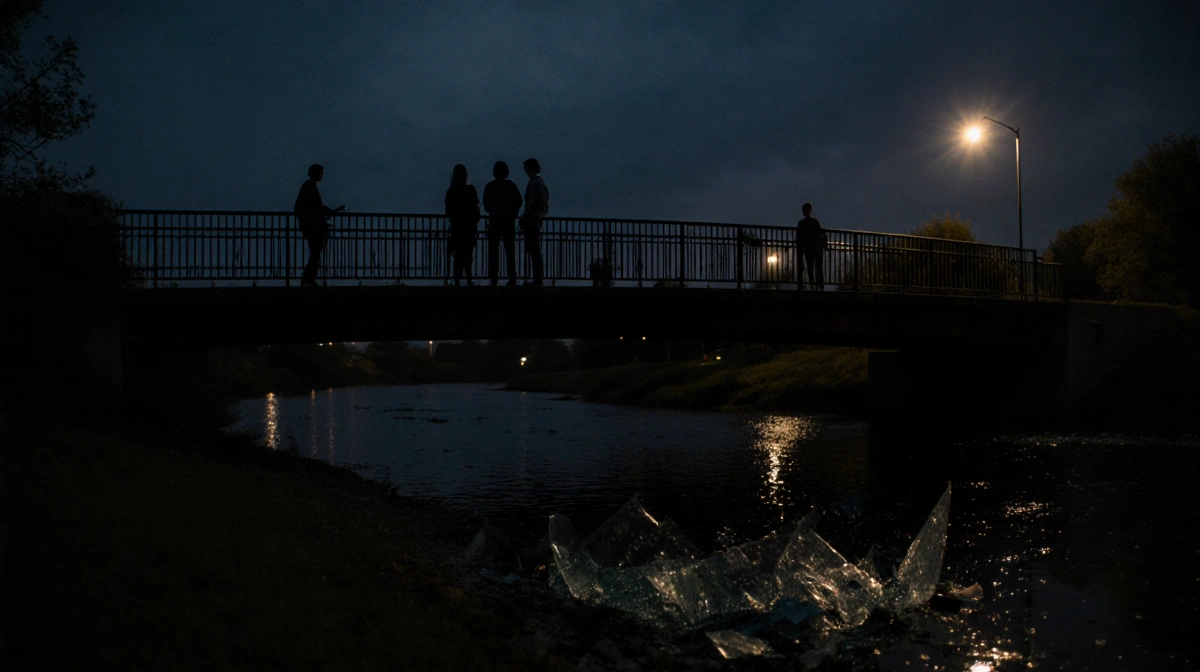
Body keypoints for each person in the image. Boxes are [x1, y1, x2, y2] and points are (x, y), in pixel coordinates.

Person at [293, 163, 344, 287]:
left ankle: (308, 278)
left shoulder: (308, 186)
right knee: (315, 253)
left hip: (310, 226)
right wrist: (329, 211)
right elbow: (316, 207)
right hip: (312, 227)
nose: (323, 176)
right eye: (322, 173)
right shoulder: (310, 186)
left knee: (315, 253)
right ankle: (308, 278)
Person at [482, 161, 523, 286]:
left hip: (494, 222)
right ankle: (512, 277)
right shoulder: (511, 186)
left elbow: (486, 204)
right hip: (508, 222)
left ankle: (494, 278)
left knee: (493, 251)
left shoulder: (490, 186)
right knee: (510, 251)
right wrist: (513, 212)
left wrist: (493, 210)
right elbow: (519, 201)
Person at [444, 164, 481, 286]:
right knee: (468, 257)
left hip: (457, 228)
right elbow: (476, 211)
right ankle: (469, 281)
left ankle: (456, 282)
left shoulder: (451, 192)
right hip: (469, 229)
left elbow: (448, 212)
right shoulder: (470, 190)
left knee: (458, 256)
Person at [519, 158, 549, 286]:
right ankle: (538, 277)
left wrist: (525, 217)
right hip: (537, 220)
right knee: (535, 250)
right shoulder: (541, 183)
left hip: (532, 221)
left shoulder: (534, 183)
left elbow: (530, 202)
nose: (526, 171)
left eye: (527, 168)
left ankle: (537, 278)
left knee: (533, 249)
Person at [796, 202, 827, 290]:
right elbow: (820, 233)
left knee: (810, 267)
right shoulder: (815, 222)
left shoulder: (801, 224)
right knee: (818, 266)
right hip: (816, 248)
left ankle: (812, 284)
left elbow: (799, 238)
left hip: (807, 248)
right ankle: (819, 285)